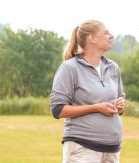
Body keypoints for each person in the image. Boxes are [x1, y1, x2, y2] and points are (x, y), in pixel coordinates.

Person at [50, 20, 126, 163]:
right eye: (106, 33)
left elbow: (120, 98)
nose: (111, 36)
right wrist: (95, 108)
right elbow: (58, 109)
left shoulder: (113, 67)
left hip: (111, 149)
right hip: (82, 147)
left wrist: (120, 105)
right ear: (92, 38)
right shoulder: (70, 68)